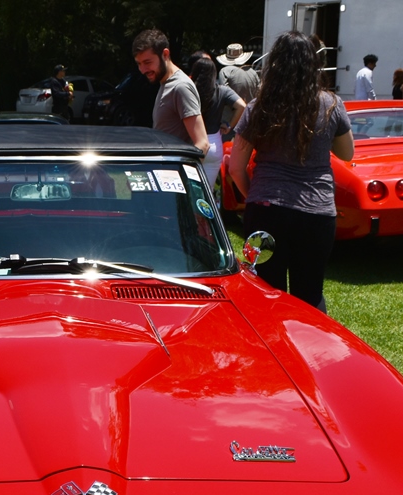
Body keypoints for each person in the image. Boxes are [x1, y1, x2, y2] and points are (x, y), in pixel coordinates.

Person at [228, 30, 354, 311]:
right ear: (313, 65)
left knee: (265, 296)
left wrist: (255, 195)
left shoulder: (258, 108)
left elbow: (235, 167)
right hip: (316, 215)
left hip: (266, 210)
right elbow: (348, 153)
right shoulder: (332, 105)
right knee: (309, 297)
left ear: (275, 64)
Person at [132, 28, 209, 155]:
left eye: (147, 62)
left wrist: (181, 172)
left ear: (165, 54)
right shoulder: (165, 83)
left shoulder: (181, 87)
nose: (142, 69)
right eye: (139, 64)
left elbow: (202, 144)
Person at [188, 52, 243, 185]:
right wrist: (229, 125)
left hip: (192, 144)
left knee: (190, 191)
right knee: (208, 190)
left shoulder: (189, 90)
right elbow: (242, 106)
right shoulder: (222, 90)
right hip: (214, 144)